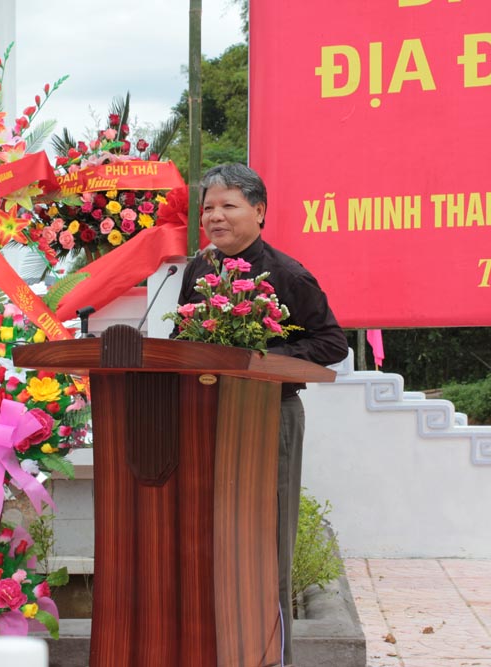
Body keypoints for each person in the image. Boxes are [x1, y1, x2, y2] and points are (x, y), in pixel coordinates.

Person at [176, 163, 348, 664]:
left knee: (266, 544)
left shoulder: (287, 274)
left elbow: (331, 343)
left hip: (269, 418)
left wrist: (260, 359)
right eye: (208, 207)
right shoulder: (199, 270)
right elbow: (182, 338)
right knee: (206, 541)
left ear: (259, 211)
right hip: (204, 417)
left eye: (228, 206)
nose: (215, 216)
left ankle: (271, 656)